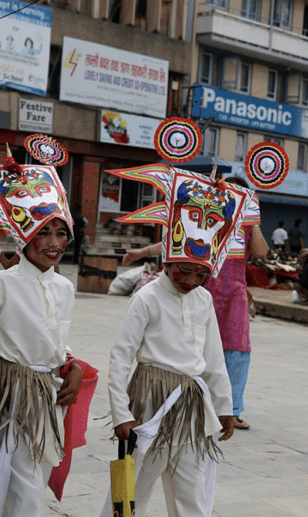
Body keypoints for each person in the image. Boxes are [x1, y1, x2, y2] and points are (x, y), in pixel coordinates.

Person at [107, 158, 257, 516]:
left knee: (191, 489)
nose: (189, 280)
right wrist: (120, 413)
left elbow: (214, 359)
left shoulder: (204, 299)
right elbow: (121, 355)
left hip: (191, 405)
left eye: (199, 274)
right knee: (129, 490)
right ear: (167, 262)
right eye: (182, 271)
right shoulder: (146, 298)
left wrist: (224, 408)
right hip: (148, 400)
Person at [0, 144, 86, 516]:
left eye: (62, 234)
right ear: (24, 236)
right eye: (45, 233)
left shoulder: (64, 287)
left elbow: (55, 339)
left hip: (48, 393)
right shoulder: (3, 283)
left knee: (34, 475)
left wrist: (71, 363)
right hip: (10, 389)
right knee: (24, 481)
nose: (56, 244)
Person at [202, 176, 268, 430]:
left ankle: (232, 409)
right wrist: (142, 253)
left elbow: (261, 253)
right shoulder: (209, 220)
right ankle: (200, 403)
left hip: (235, 294)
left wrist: (253, 217)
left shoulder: (248, 226)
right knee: (202, 347)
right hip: (206, 290)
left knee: (238, 351)